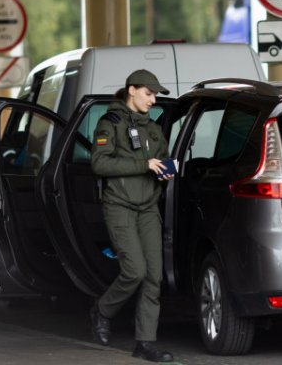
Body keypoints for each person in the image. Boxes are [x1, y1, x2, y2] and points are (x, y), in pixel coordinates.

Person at [89, 69, 174, 363]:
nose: (153, 100)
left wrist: (166, 171)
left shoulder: (153, 129)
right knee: (134, 271)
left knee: (153, 277)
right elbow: (100, 164)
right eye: (149, 93)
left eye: (155, 95)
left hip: (148, 207)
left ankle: (145, 343)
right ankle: (102, 310)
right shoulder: (109, 124)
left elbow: (161, 160)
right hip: (120, 206)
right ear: (132, 90)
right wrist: (144, 164)